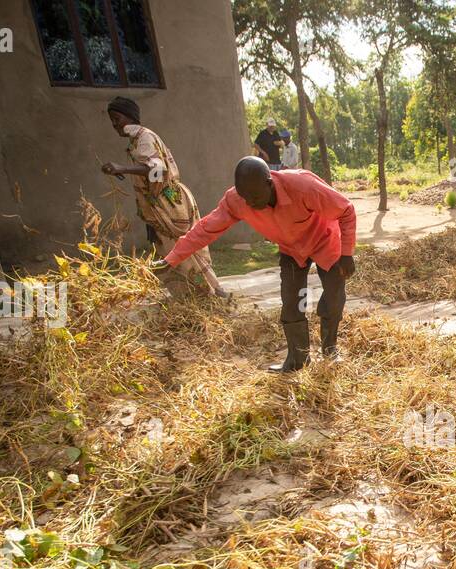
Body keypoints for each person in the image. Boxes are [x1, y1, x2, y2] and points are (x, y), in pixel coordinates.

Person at [156, 157, 356, 372]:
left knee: (333, 296)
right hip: (291, 249)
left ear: (269, 183)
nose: (251, 203)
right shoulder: (237, 200)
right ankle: (298, 359)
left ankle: (330, 349)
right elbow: (205, 229)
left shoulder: (302, 186)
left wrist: (347, 254)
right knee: (293, 300)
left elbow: (346, 210)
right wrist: (171, 259)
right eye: (246, 198)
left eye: (256, 196)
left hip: (325, 241)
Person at [100, 96, 224, 298]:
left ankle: (204, 296)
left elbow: (157, 169)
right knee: (176, 251)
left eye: (117, 118)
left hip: (168, 205)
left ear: (130, 117)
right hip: (162, 205)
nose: (114, 124)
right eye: (111, 120)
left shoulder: (144, 137)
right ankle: (196, 296)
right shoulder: (136, 141)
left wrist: (122, 168)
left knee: (183, 251)